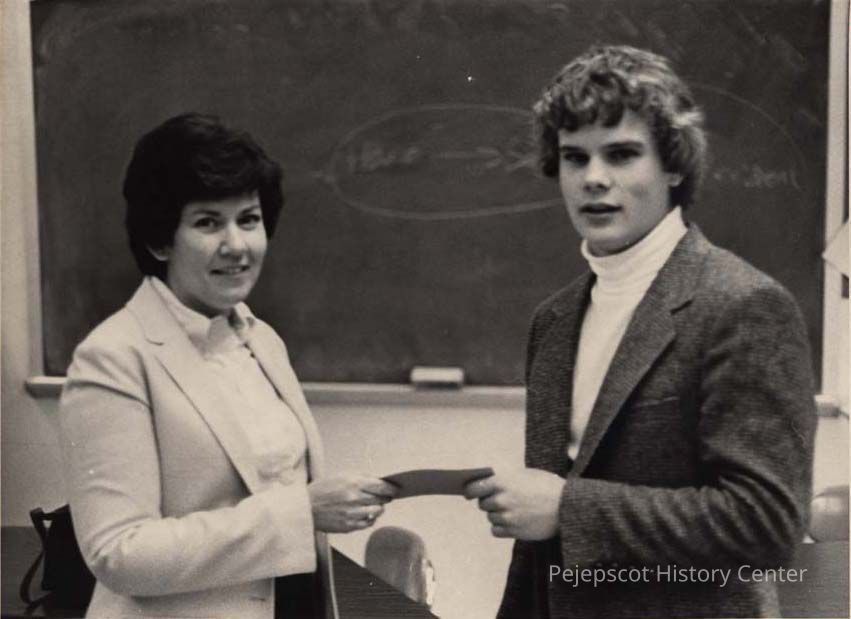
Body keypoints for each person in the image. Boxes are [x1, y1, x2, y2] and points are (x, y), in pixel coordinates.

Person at [465, 45, 816, 618]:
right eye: (574, 158)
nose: (594, 179)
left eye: (622, 155)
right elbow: (541, 551)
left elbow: (768, 523)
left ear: (674, 166)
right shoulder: (554, 321)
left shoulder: (744, 305)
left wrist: (568, 508)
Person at [58, 113, 397, 619]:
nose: (237, 245)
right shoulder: (112, 358)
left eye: (249, 219)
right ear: (159, 240)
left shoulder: (262, 339)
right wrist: (302, 511)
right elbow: (119, 553)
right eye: (207, 222)